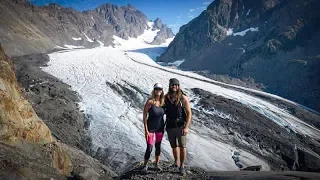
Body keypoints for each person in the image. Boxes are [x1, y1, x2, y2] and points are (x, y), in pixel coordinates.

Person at [165, 78, 192, 175]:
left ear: (178, 86)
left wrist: (186, 127)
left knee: (182, 146)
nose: (174, 86)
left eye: (176, 85)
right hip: (170, 125)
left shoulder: (183, 98)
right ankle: (176, 162)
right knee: (173, 146)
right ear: (170, 86)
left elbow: (189, 113)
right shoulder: (166, 97)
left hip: (180, 126)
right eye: (172, 85)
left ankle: (182, 166)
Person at [142, 83, 165, 172]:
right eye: (156, 89)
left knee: (158, 146)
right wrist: (146, 129)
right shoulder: (150, 101)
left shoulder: (163, 102)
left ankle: (157, 164)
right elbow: (144, 115)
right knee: (149, 147)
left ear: (162, 91)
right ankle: (145, 165)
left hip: (160, 128)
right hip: (150, 128)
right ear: (154, 90)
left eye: (160, 89)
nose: (158, 90)